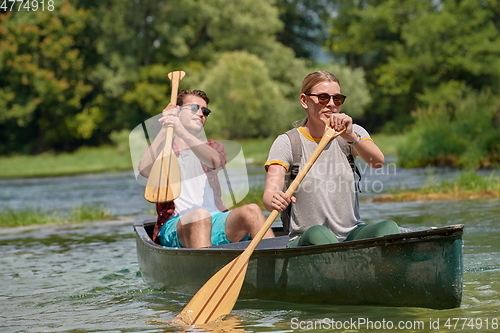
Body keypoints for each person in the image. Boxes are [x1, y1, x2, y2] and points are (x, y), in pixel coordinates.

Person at [263, 71, 400, 247]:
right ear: (304, 101)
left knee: (388, 227)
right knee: (319, 234)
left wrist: (350, 136)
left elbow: (378, 162)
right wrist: (274, 199)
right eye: (323, 98)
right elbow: (268, 196)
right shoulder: (288, 142)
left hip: (351, 233)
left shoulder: (352, 133)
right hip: (306, 238)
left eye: (337, 99)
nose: (331, 105)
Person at [139, 89, 274, 248]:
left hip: (217, 218)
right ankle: (204, 269)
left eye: (205, 111)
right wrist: (165, 128)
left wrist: (181, 131)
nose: (201, 114)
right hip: (175, 225)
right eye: (195, 108)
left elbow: (214, 161)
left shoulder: (213, 147)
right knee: (200, 216)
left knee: (252, 210)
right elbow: (144, 170)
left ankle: (275, 263)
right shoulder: (163, 148)